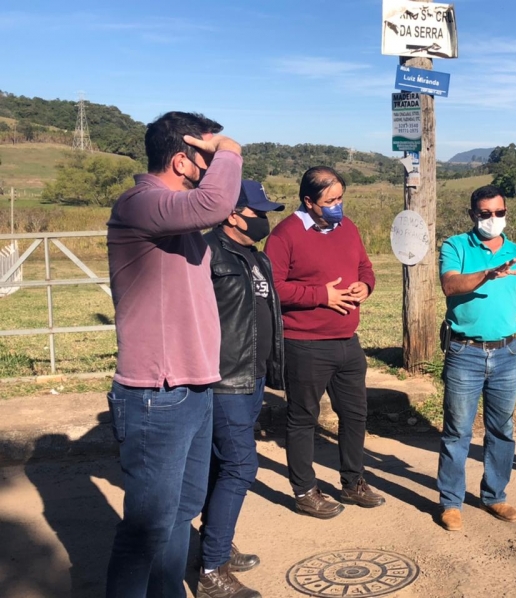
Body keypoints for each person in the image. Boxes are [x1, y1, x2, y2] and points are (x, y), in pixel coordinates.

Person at [105, 112, 242, 597]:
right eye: (206, 156)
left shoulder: (176, 217)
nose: (213, 164)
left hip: (194, 387)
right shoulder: (140, 204)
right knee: (146, 529)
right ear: (182, 160)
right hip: (156, 393)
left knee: (181, 514)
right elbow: (216, 203)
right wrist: (231, 149)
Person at [265, 166, 385, 519]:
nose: (337, 206)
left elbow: (365, 267)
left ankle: (353, 482)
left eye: (340, 198)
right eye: (330, 201)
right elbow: (273, 287)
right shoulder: (285, 235)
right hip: (305, 343)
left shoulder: (348, 228)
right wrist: (321, 295)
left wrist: (366, 285)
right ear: (308, 201)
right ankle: (305, 491)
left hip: (347, 340)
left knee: (355, 415)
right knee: (303, 418)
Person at [436, 184, 516, 532]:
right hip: (464, 352)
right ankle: (451, 503)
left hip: (506, 354)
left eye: (499, 212)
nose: (493, 218)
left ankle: (495, 495)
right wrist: (487, 274)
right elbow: (450, 285)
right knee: (457, 431)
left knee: (502, 430)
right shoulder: (455, 246)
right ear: (473, 215)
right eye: (485, 213)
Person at [197, 180, 286, 598]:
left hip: (254, 376)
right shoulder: (205, 252)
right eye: (258, 212)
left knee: (222, 464)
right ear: (232, 214)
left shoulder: (256, 256)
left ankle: (216, 543)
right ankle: (211, 569)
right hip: (225, 378)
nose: (264, 220)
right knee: (240, 466)